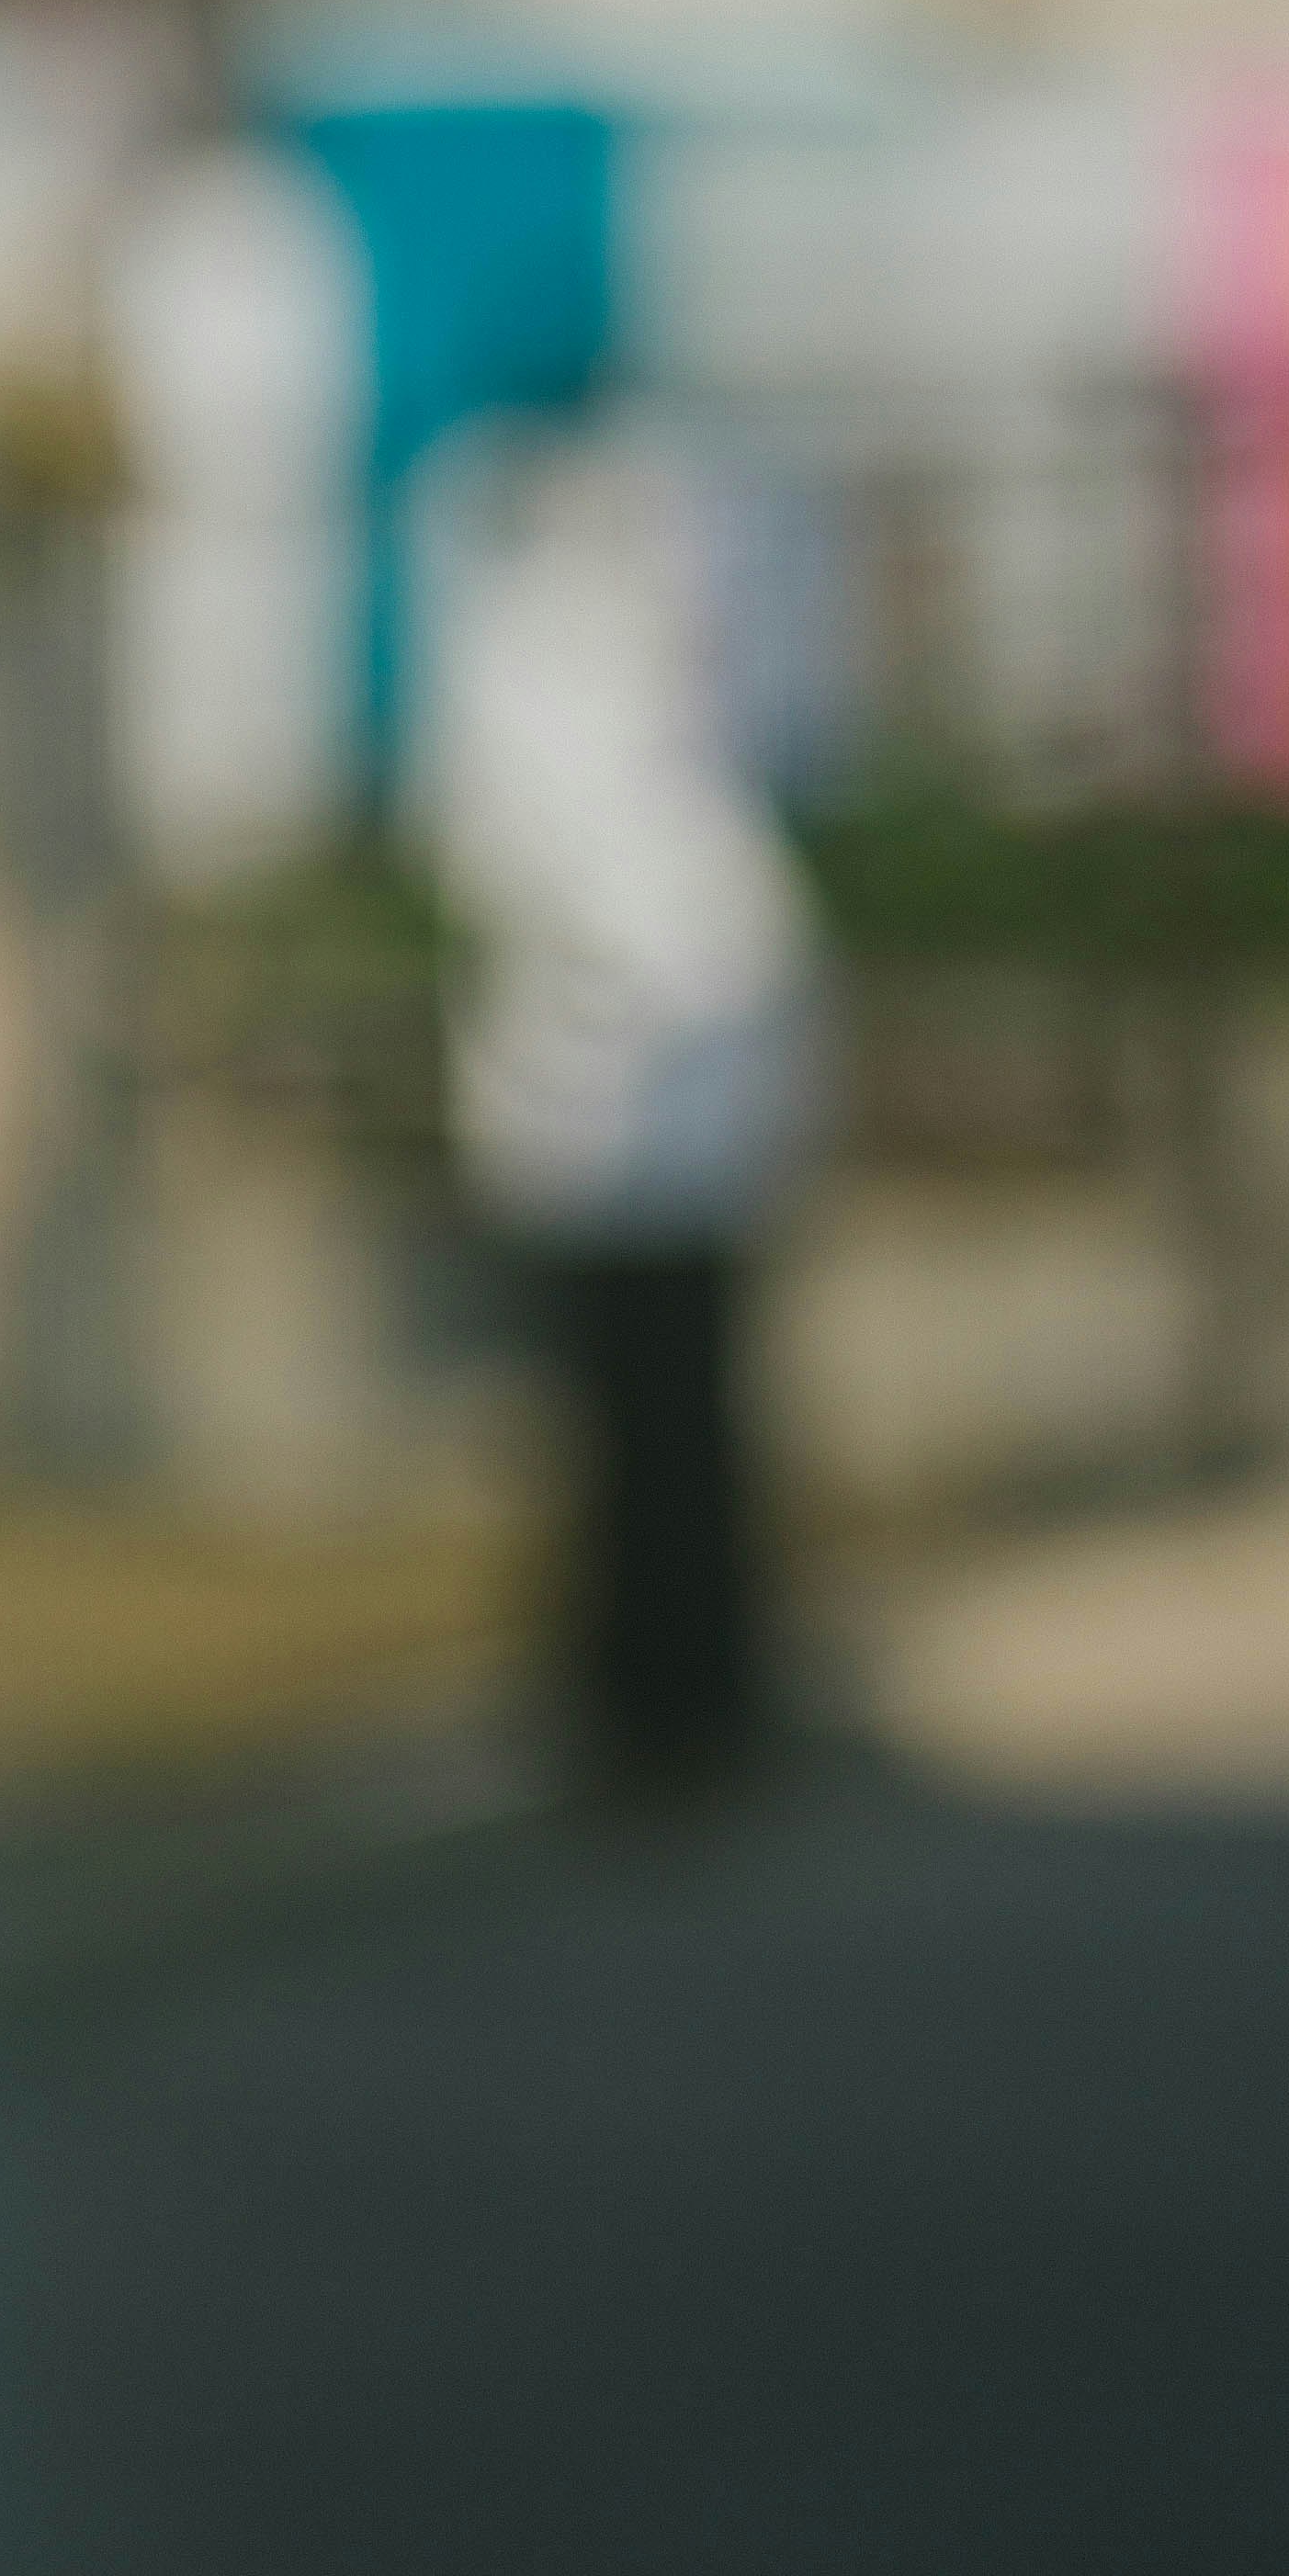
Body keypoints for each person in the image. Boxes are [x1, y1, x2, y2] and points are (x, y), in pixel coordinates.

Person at [409, 412, 827, 1791]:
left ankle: (688, 1697)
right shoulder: (531, 619)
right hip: (604, 1074)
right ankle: (640, 1699)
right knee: (619, 1404)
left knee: (681, 1396)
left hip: (670, 1070)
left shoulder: (649, 617)